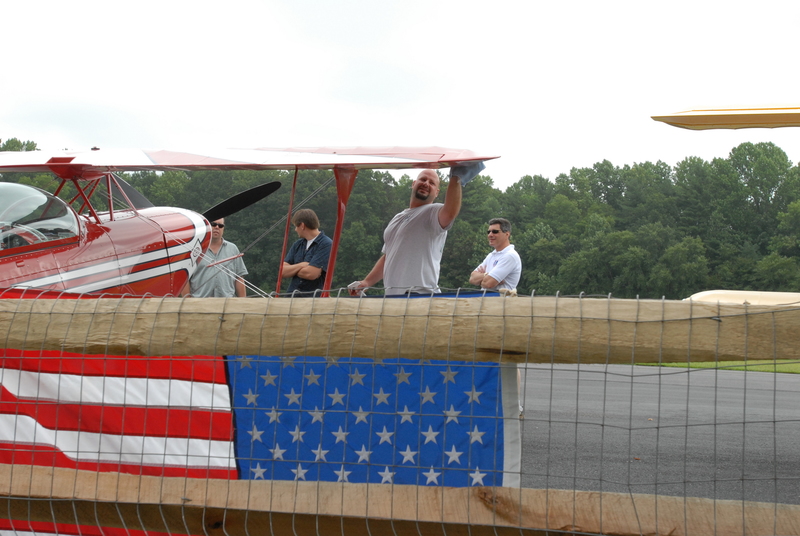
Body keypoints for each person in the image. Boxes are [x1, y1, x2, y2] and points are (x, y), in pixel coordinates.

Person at [349, 169, 462, 295]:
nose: (426, 183)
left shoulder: (433, 213)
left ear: (437, 192)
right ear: (413, 184)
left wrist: (455, 177)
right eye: (423, 179)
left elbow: (450, 212)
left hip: (421, 295)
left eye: (432, 183)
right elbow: (388, 256)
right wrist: (366, 282)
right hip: (394, 297)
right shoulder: (397, 218)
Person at [183, 218, 248, 297]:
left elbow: (239, 278)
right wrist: (187, 301)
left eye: (220, 225)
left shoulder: (233, 249)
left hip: (227, 302)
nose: (217, 227)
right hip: (200, 302)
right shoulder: (194, 249)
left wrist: (243, 301)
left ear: (223, 229)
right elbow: (184, 278)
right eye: (213, 224)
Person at [281, 208, 332, 297]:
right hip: (291, 297)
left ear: (302, 226)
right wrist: (302, 265)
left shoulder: (326, 244)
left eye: (296, 226)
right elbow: (282, 271)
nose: (295, 230)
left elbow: (311, 274)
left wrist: (292, 270)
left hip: (312, 299)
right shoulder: (297, 244)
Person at [469, 218, 521, 292]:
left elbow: (488, 284)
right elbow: (472, 279)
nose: (490, 235)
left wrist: (482, 278)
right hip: (485, 297)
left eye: (495, 232)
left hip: (500, 298)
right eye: (488, 232)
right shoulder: (491, 255)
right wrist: (487, 275)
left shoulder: (510, 256)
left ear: (507, 234)